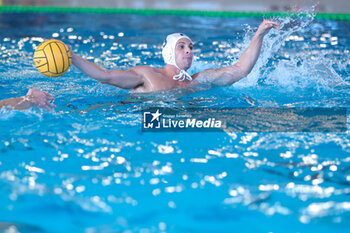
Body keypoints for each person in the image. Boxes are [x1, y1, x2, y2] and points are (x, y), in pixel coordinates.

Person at [69, 19, 281, 93]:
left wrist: (259, 34)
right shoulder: (147, 75)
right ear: (169, 52)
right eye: (181, 46)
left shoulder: (199, 79)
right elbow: (105, 76)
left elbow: (240, 70)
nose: (189, 50)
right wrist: (72, 56)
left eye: (190, 46)